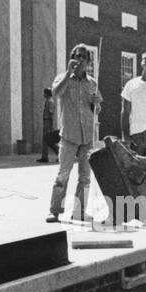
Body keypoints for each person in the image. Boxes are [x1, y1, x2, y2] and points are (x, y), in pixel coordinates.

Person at [47, 45, 102, 224]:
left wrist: (96, 103)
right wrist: (67, 74)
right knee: (63, 174)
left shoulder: (92, 83)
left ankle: (79, 212)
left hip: (87, 136)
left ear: (88, 62)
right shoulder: (63, 79)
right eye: (77, 56)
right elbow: (55, 94)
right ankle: (54, 211)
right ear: (72, 58)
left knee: (85, 177)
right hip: (69, 135)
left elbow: (97, 110)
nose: (80, 60)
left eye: (84, 58)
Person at [36, 87, 57, 163]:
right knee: (45, 140)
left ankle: (58, 153)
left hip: (48, 122)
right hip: (46, 121)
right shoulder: (48, 101)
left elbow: (51, 113)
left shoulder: (50, 101)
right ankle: (44, 156)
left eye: (44, 93)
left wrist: (51, 125)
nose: (43, 94)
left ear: (47, 93)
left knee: (48, 140)